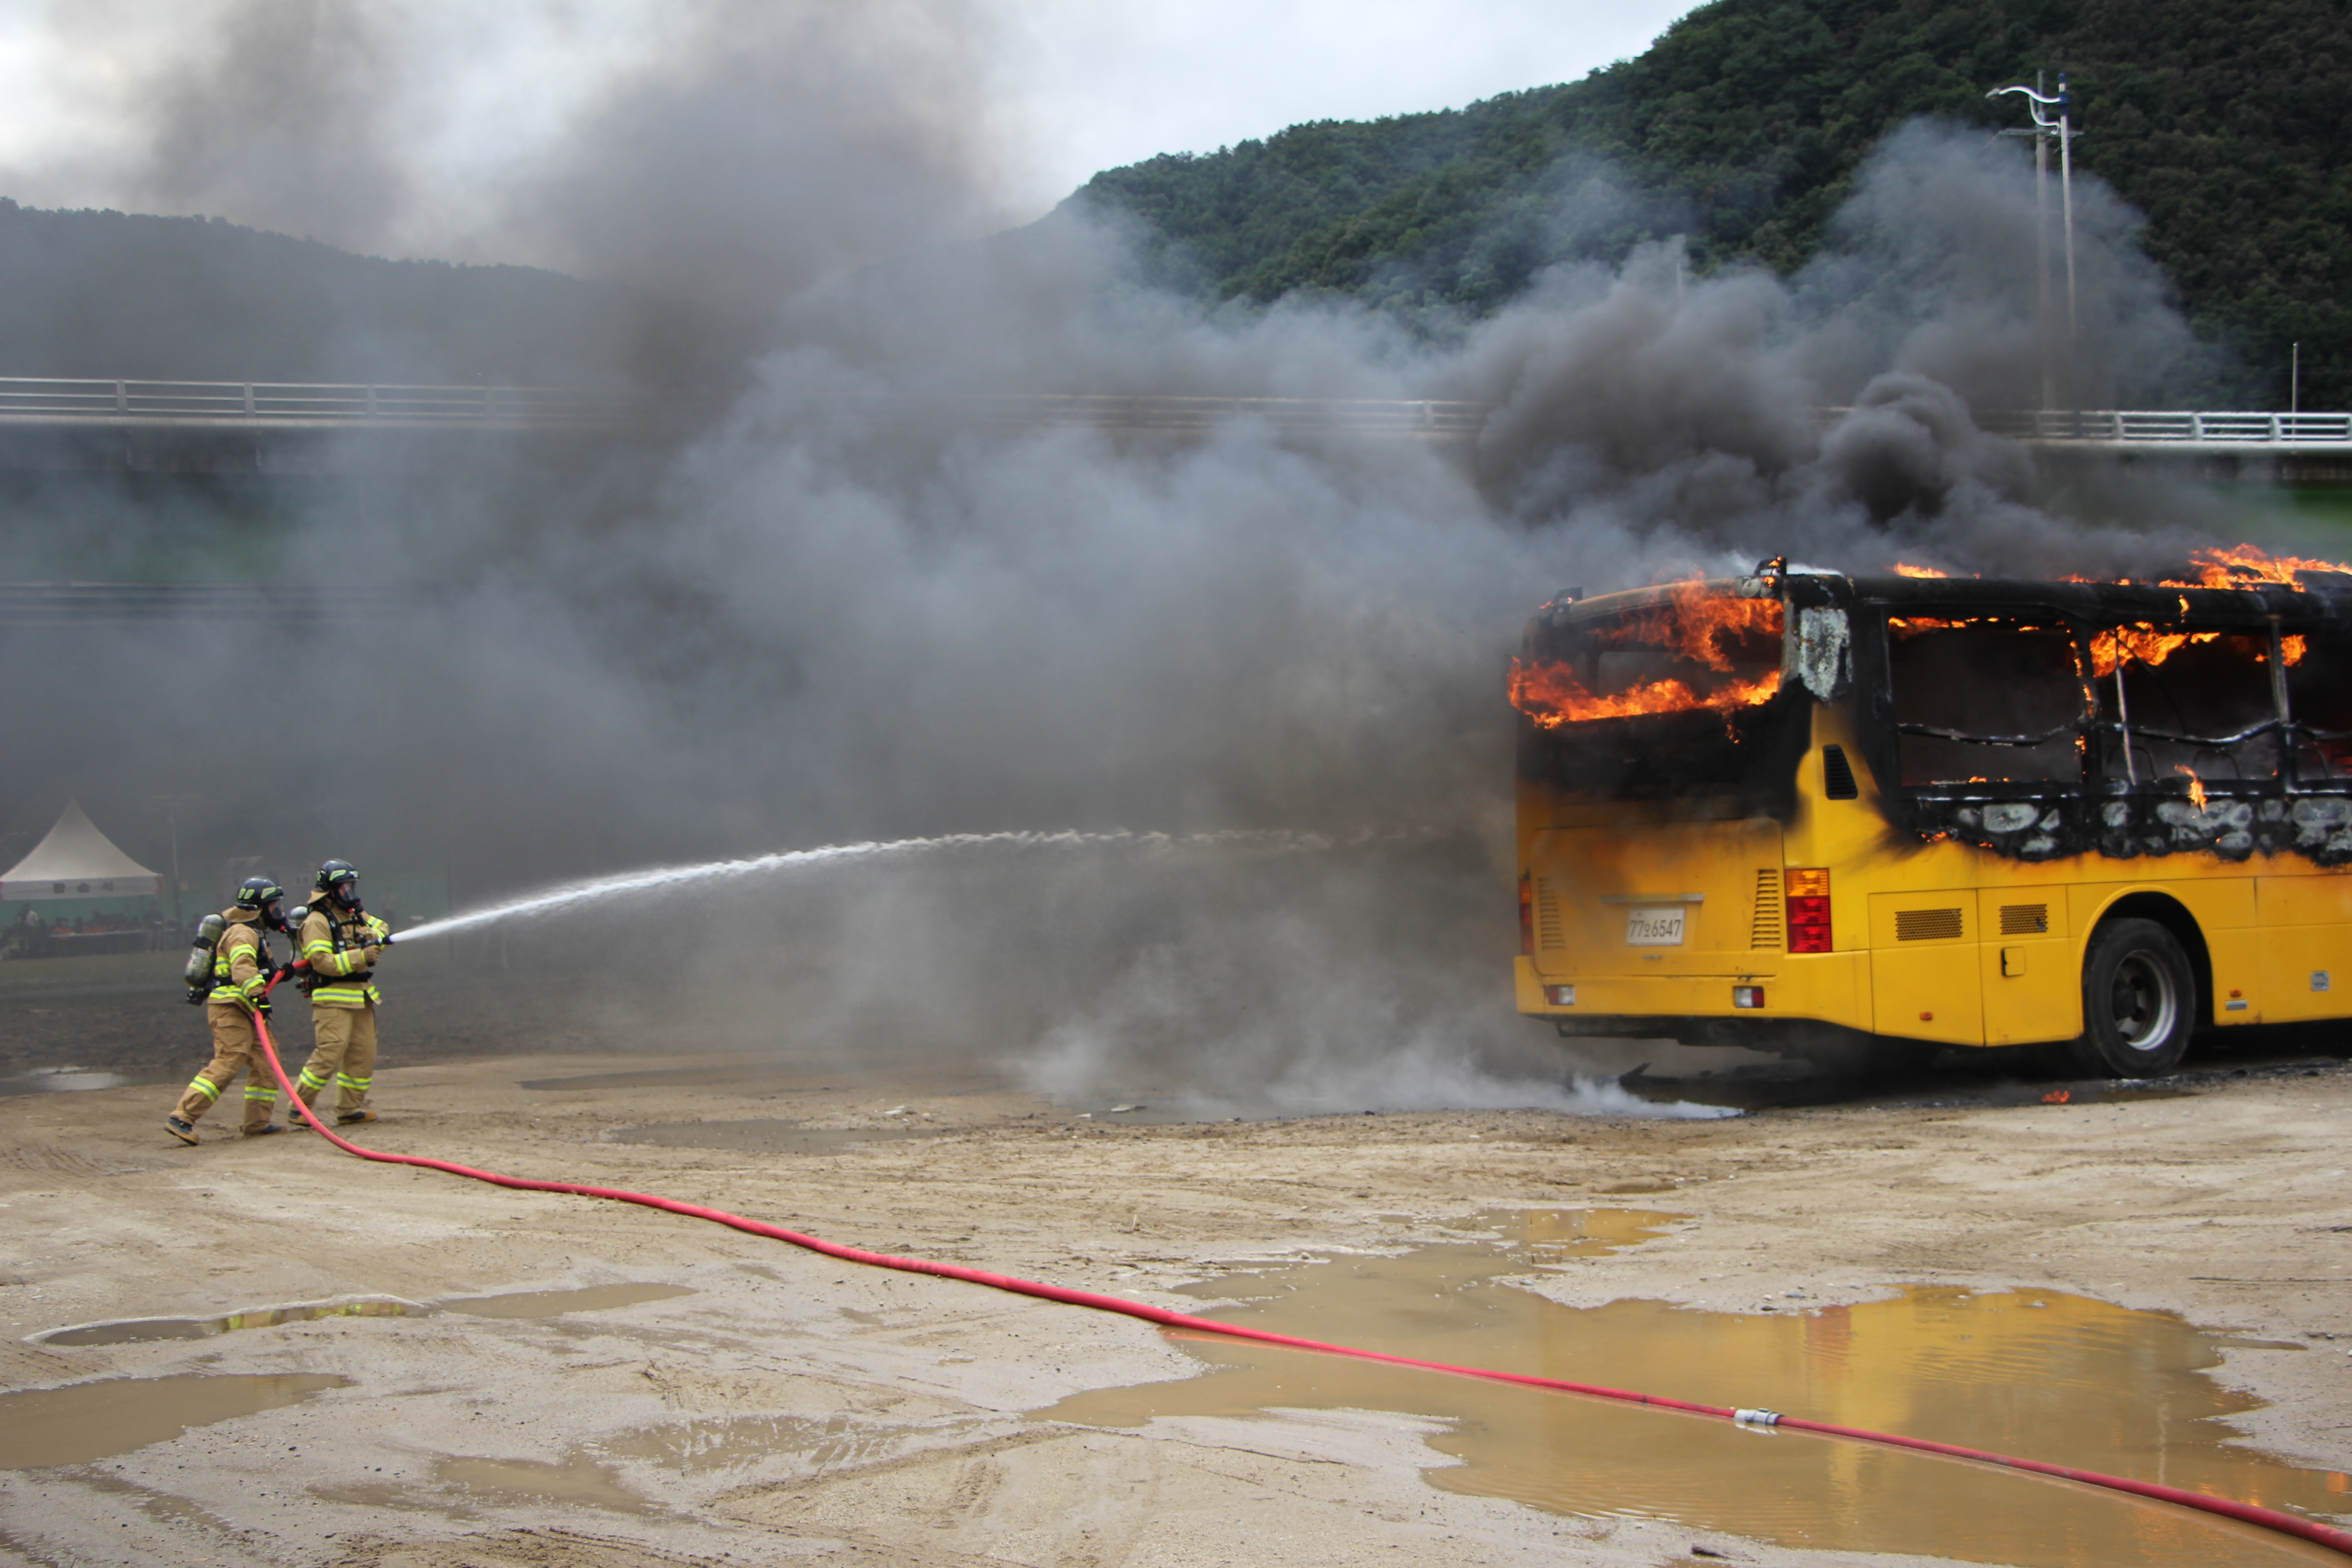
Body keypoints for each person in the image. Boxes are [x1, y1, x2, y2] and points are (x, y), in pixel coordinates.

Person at [165, 876, 293, 1145]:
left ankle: (257, 1123)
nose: (277, 911)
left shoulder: (255, 932)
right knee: (230, 1059)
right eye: (273, 906)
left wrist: (282, 973)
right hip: (230, 1006)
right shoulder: (243, 933)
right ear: (259, 908)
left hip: (246, 1007)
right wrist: (258, 995)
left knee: (267, 1063)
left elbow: (259, 969)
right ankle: (182, 1117)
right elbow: (242, 966)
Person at [294, 859, 392, 1127]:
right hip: (333, 997)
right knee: (330, 1053)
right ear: (329, 891)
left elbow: (383, 929)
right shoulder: (316, 921)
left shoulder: (356, 915)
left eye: (351, 886)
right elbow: (321, 961)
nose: (349, 893)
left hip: (361, 996)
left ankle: (349, 1109)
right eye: (344, 887)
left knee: (363, 1054)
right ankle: (299, 1108)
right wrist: (361, 956)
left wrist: (370, 935)